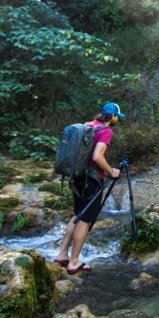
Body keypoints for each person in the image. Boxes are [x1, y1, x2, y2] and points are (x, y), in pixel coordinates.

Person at [54, 102, 125, 274]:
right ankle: (74, 262)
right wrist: (111, 171)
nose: (117, 120)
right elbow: (97, 156)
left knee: (78, 215)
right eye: (117, 117)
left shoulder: (88, 126)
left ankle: (62, 254)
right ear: (113, 116)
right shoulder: (106, 131)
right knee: (85, 220)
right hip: (91, 180)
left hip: (77, 177)